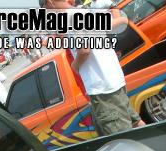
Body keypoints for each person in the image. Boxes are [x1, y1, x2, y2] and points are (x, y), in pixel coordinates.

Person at [39, 0, 144, 136]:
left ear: (50, 3)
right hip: (112, 81)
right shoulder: (84, 12)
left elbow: (84, 49)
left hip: (102, 88)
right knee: (135, 122)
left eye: (44, 8)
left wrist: (75, 65)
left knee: (122, 138)